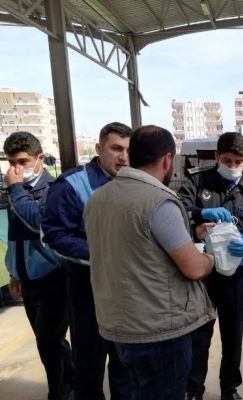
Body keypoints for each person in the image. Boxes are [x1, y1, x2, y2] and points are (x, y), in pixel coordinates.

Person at [83, 126, 217, 400]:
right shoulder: (159, 201)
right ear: (168, 159)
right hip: (159, 331)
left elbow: (136, 245)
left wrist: (190, 234)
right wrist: (212, 258)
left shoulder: (98, 199)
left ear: (130, 155)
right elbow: (193, 267)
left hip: (120, 325)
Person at [178, 132, 243, 400]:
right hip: (201, 272)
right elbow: (177, 211)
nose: (232, 166)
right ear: (217, 157)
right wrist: (200, 214)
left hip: (238, 275)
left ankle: (229, 388)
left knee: (233, 334)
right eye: (227, 160)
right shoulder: (197, 182)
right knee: (199, 334)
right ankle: (193, 389)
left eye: (238, 161)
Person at [41, 122, 132, 400]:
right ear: (99, 148)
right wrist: (102, 252)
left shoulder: (133, 182)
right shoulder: (72, 184)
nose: (123, 157)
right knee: (90, 362)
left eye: (129, 150)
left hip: (127, 286)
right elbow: (53, 234)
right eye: (116, 148)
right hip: (88, 287)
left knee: (125, 360)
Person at [3, 132, 73, 400]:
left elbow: (40, 223)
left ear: (40, 158)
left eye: (23, 161)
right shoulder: (15, 189)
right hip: (29, 279)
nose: (16, 169)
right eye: (12, 162)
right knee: (51, 341)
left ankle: (59, 393)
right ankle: (71, 377)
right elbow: (14, 234)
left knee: (47, 343)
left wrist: (16, 190)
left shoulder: (54, 190)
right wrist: (14, 272)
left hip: (55, 278)